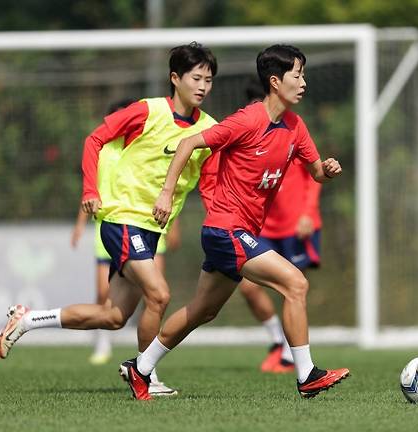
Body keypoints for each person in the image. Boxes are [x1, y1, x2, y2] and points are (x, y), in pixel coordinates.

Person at [123, 44, 348, 401]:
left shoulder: (295, 126)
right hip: (226, 230)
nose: (303, 82)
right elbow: (186, 145)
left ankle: (141, 367)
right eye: (297, 74)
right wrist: (165, 194)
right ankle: (306, 375)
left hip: (236, 232)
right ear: (275, 81)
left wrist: (327, 170)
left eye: (303, 74)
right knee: (296, 284)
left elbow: (316, 172)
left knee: (203, 311)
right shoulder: (247, 120)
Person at [0, 42, 218, 397]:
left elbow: (212, 178)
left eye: (209, 80)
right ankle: (145, 376)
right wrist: (89, 190)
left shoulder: (209, 128)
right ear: (175, 78)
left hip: (151, 229)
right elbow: (95, 139)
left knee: (114, 316)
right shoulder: (148, 112)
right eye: (196, 78)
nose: (203, 86)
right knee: (159, 294)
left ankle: (26, 320)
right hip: (123, 218)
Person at [199, 78, 323, 373]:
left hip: (295, 227)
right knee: (251, 291)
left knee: (292, 287)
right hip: (253, 228)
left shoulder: (291, 131)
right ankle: (282, 345)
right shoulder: (244, 131)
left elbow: (314, 176)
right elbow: (209, 178)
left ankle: (294, 360)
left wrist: (308, 212)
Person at [70, 99, 182, 367]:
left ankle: (29, 319)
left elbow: (169, 184)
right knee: (153, 293)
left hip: (151, 229)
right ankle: (143, 371)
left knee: (122, 312)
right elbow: (92, 187)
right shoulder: (105, 150)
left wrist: (173, 225)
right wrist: (80, 222)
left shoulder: (144, 146)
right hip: (114, 226)